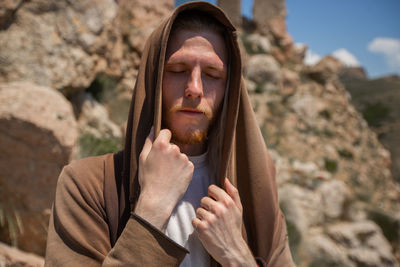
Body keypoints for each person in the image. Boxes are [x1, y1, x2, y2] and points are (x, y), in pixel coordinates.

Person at [45, 2, 294, 266]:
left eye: (212, 74)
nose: (195, 88)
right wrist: (151, 210)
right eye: (178, 70)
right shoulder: (87, 186)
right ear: (154, 78)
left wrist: (238, 256)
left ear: (229, 89)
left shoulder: (255, 186)